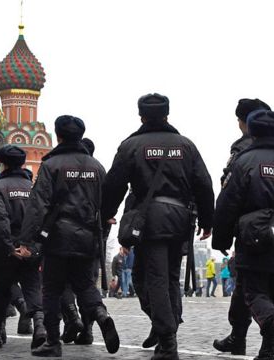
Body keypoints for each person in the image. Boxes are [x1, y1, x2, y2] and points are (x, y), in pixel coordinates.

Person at [102, 94, 215, 359]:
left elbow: (114, 184)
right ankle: (166, 328)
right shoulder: (186, 146)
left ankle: (166, 340)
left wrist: (106, 214)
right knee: (170, 278)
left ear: (141, 116)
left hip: (149, 221)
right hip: (180, 220)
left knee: (149, 279)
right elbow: (204, 184)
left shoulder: (131, 145)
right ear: (167, 115)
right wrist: (208, 221)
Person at [19, 115, 120, 357]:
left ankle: (53, 342)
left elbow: (38, 204)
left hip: (57, 237)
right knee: (85, 284)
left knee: (52, 289)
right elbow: (107, 205)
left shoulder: (52, 165)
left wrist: (26, 240)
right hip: (87, 236)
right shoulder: (96, 167)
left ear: (58, 135)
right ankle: (101, 315)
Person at [213, 109, 274, 360]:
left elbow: (228, 203)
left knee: (254, 293)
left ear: (252, 130)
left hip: (254, 236)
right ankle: (267, 352)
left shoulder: (245, 161)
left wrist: (222, 239)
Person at [0, 145, 46, 349]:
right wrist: (31, 247)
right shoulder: (33, 187)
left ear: (3, 163)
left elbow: (0, 221)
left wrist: (10, 248)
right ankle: (41, 326)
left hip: (7, 250)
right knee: (32, 286)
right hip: (30, 248)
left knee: (0, 290)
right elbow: (40, 217)